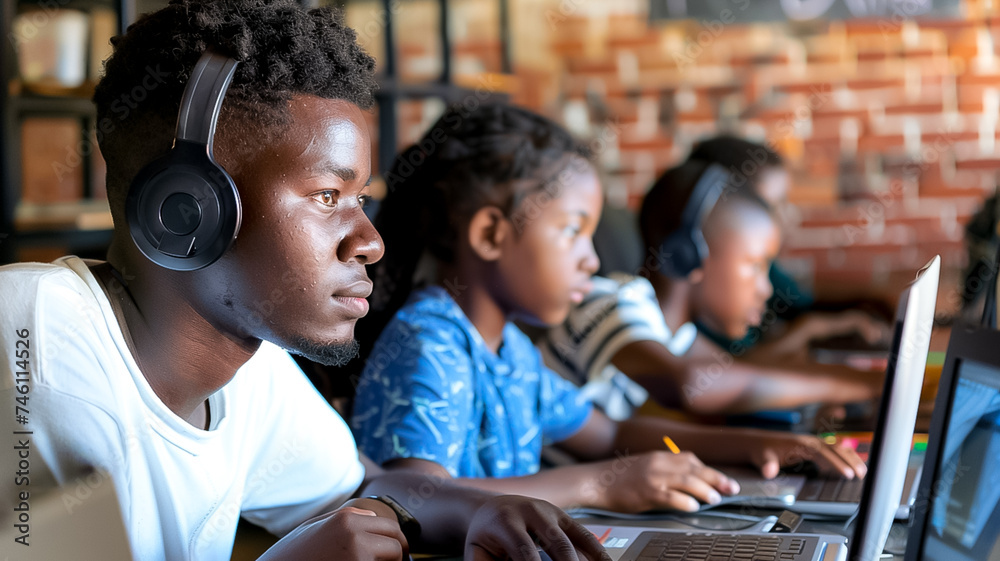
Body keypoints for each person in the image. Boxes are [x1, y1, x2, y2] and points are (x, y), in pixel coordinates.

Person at [0, 1, 611, 560]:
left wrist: (486, 512)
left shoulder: (247, 364)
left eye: (360, 198)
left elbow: (363, 483)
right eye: (327, 196)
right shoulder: (32, 343)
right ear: (185, 210)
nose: (369, 241)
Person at [350, 103, 867, 515]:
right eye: (572, 231)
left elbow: (611, 434)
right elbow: (414, 499)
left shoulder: (509, 349)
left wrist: (757, 445)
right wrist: (600, 483)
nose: (592, 259)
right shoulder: (429, 342)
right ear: (490, 234)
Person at [540, 159, 885, 421]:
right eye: (754, 265)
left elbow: (739, 371)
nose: (765, 289)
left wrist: (807, 398)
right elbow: (693, 385)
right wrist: (863, 386)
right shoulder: (612, 302)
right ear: (687, 255)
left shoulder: (677, 335)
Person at [687, 135, 888, 359]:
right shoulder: (709, 286)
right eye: (775, 203)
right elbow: (732, 370)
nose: (789, 215)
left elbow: (800, 303)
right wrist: (808, 330)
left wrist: (875, 299)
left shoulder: (763, 267)